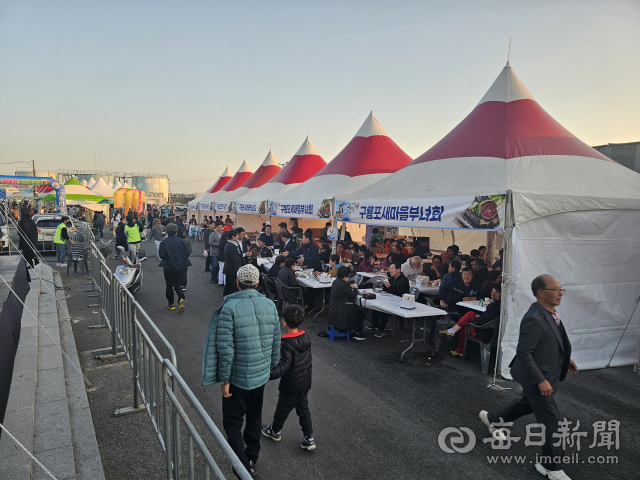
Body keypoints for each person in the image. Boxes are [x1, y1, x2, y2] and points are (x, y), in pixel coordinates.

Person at [480, 275, 577, 480]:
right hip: (537, 377)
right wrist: (541, 380)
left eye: (561, 289)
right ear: (541, 293)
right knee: (553, 423)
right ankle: (550, 466)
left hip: (546, 372)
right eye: (556, 290)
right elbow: (524, 352)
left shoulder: (549, 313)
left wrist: (566, 359)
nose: (560, 293)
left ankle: (494, 419)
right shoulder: (534, 317)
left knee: (527, 404)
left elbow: (552, 340)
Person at [201, 264, 281, 477]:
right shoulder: (270, 305)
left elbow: (225, 348)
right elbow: (276, 341)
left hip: (237, 377)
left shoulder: (229, 308)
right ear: (257, 283)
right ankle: (252, 454)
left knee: (232, 423)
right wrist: (271, 365)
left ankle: (242, 468)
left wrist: (224, 379)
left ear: (237, 283)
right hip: (260, 374)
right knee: (255, 417)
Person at [261, 304, 316, 450]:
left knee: (282, 409)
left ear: (284, 322)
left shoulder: (287, 343)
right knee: (303, 409)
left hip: (290, 385)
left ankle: (275, 431)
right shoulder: (306, 337)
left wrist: (268, 373)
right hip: (304, 383)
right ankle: (308, 437)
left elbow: (284, 366)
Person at [439, 285, 502, 357]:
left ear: (498, 296)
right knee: (471, 314)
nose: (491, 293)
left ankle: (459, 349)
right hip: (496, 334)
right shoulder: (502, 306)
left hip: (484, 334)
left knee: (465, 325)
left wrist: (475, 319)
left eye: (492, 292)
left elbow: (479, 322)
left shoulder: (493, 307)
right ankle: (452, 332)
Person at [367, 263, 410, 338]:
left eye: (392, 269)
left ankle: (381, 329)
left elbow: (401, 293)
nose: (390, 271)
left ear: (398, 269)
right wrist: (384, 285)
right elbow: (387, 289)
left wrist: (390, 286)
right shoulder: (392, 278)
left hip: (400, 301)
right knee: (375, 304)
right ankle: (375, 324)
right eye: (390, 269)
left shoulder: (404, 280)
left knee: (385, 308)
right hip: (390, 298)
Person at [158, 223, 191, 313]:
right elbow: (187, 253)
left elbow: (162, 255)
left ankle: (171, 304)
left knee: (169, 286)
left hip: (169, 266)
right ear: (176, 232)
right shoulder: (182, 241)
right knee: (177, 285)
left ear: (167, 232)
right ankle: (181, 298)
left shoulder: (164, 242)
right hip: (180, 266)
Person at [326, 266, 365, 340]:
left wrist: (350, 284)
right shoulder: (344, 285)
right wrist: (356, 288)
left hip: (334, 310)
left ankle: (344, 329)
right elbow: (352, 295)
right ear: (345, 275)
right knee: (360, 312)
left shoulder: (336, 282)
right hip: (342, 313)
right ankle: (357, 333)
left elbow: (346, 286)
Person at [223, 229, 245, 297]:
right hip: (232, 270)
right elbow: (235, 260)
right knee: (233, 287)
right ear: (233, 237)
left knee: (228, 286)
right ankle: (232, 300)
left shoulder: (229, 244)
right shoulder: (232, 246)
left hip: (229, 269)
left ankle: (226, 299)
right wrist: (238, 271)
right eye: (237, 235)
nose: (238, 237)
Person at [177, 227, 192, 291]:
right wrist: (186, 255)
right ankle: (183, 285)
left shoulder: (175, 240)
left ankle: (175, 284)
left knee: (175, 271)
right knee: (183, 272)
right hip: (184, 258)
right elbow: (190, 249)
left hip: (175, 258)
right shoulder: (187, 240)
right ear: (183, 232)